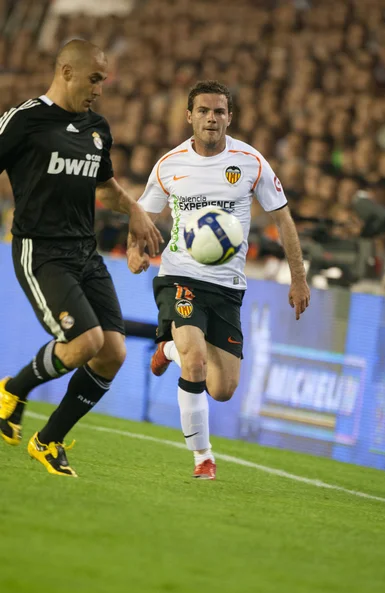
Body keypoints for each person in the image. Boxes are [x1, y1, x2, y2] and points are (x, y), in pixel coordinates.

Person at [127, 80, 310, 480]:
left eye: (220, 111)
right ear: (189, 115)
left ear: (230, 117)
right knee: (194, 361)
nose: (212, 118)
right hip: (180, 275)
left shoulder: (251, 161)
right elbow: (143, 215)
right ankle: (202, 457)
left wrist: (298, 277)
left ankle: (167, 351)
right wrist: (134, 249)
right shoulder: (169, 164)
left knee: (222, 389)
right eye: (205, 111)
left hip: (227, 286)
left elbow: (283, 218)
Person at [0, 39, 162, 477]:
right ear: (66, 72)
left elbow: (106, 189)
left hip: (84, 252)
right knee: (84, 343)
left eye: (104, 81)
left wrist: (136, 211)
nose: (100, 88)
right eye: (94, 78)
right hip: (41, 251)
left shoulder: (97, 128)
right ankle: (12, 391)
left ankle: (46, 439)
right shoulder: (24, 120)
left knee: (112, 354)